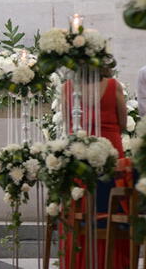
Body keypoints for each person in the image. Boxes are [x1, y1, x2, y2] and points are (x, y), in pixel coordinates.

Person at [62, 67, 130, 269]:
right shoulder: (113, 85)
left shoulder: (67, 88)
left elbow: (68, 126)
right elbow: (124, 121)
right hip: (111, 154)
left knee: (81, 208)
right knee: (112, 208)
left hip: (81, 155)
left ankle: (80, 262)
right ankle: (114, 263)